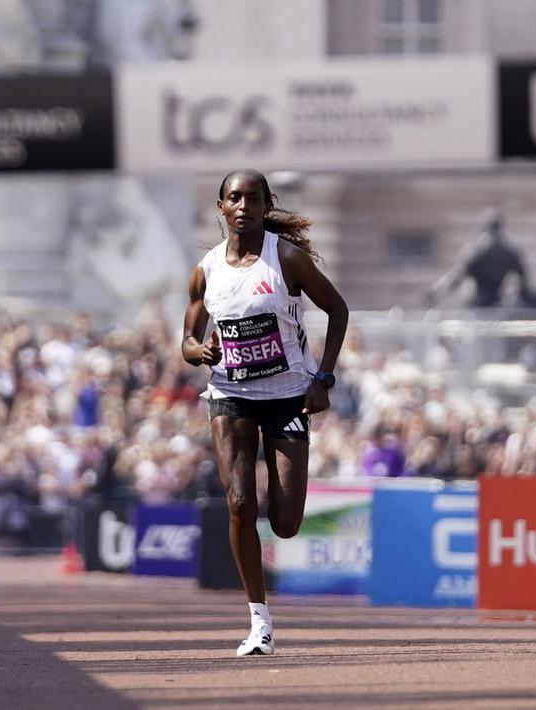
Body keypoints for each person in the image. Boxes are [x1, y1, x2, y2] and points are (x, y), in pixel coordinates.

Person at [181, 168, 349, 657]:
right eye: (234, 198)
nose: (243, 206)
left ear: (266, 204)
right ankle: (259, 620)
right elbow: (187, 339)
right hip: (229, 394)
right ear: (221, 207)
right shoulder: (206, 270)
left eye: (253, 198)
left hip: (287, 396)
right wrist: (199, 351)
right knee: (238, 502)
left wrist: (323, 378)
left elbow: (338, 310)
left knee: (286, 522)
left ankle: (264, 600)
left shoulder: (287, 259)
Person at [426, 208, 530, 309]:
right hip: (495, 305)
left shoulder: (475, 249)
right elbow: (524, 283)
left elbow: (456, 276)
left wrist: (436, 291)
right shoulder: (509, 252)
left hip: (475, 306)